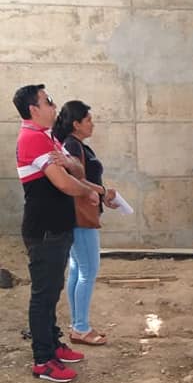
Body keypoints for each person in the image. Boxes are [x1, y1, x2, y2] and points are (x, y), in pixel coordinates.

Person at [13, 84, 103, 382]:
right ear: (33, 109)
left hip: (57, 228)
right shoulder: (32, 138)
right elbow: (64, 182)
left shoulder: (48, 136)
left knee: (53, 291)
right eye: (48, 101)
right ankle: (43, 360)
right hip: (44, 230)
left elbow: (76, 169)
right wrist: (88, 192)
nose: (54, 106)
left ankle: (53, 344)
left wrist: (70, 165)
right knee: (44, 295)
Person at [52, 101, 118, 346]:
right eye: (88, 120)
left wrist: (102, 193)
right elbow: (74, 180)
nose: (92, 123)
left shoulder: (76, 145)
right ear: (76, 124)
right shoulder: (72, 146)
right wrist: (102, 191)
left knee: (78, 269)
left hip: (76, 214)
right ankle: (80, 328)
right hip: (80, 216)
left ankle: (77, 323)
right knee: (88, 270)